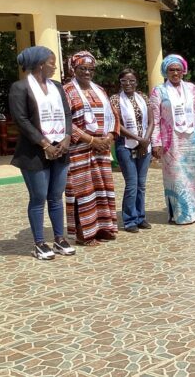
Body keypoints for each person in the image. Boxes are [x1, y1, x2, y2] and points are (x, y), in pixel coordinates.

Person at [9, 46, 76, 259]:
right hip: (34, 152)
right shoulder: (19, 88)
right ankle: (39, 243)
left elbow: (67, 113)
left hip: (61, 148)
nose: (54, 66)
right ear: (39, 64)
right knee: (38, 197)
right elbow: (21, 120)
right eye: (51, 62)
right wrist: (45, 143)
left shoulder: (57, 86)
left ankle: (59, 239)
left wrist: (66, 137)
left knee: (56, 196)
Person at [150, 54, 195, 224]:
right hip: (171, 143)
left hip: (191, 140)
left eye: (178, 70)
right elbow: (155, 119)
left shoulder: (192, 88)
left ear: (183, 71)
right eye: (171, 70)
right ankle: (182, 214)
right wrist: (155, 142)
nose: (175, 73)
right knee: (176, 177)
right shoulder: (159, 91)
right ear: (165, 71)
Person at [63, 51, 120, 246]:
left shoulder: (100, 90)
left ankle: (102, 228)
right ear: (74, 69)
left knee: (101, 189)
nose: (87, 72)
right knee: (82, 191)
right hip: (80, 150)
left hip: (101, 149)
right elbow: (67, 122)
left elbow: (113, 116)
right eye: (82, 68)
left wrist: (110, 137)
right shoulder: (67, 91)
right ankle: (83, 233)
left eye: (90, 69)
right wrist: (90, 140)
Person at [110, 69, 153, 233]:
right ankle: (129, 220)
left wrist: (144, 141)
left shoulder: (143, 97)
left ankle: (141, 217)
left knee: (141, 184)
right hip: (125, 145)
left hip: (144, 145)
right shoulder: (115, 99)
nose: (128, 84)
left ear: (137, 82)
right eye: (124, 81)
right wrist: (138, 139)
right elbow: (117, 125)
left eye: (132, 81)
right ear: (120, 83)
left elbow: (151, 121)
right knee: (132, 184)